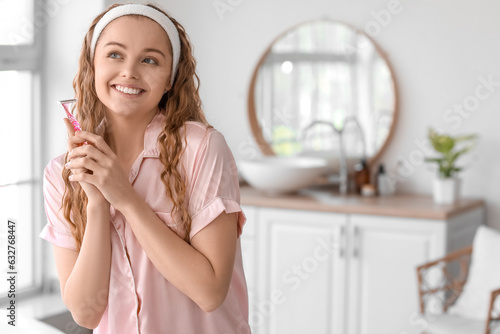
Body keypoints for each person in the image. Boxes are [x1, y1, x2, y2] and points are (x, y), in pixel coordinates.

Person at [40, 3, 250, 333]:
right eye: (114, 55)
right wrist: (97, 203)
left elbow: (209, 292)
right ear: (91, 66)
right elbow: (86, 313)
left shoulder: (202, 149)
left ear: (170, 79)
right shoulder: (61, 175)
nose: (129, 72)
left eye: (149, 59)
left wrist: (124, 198)